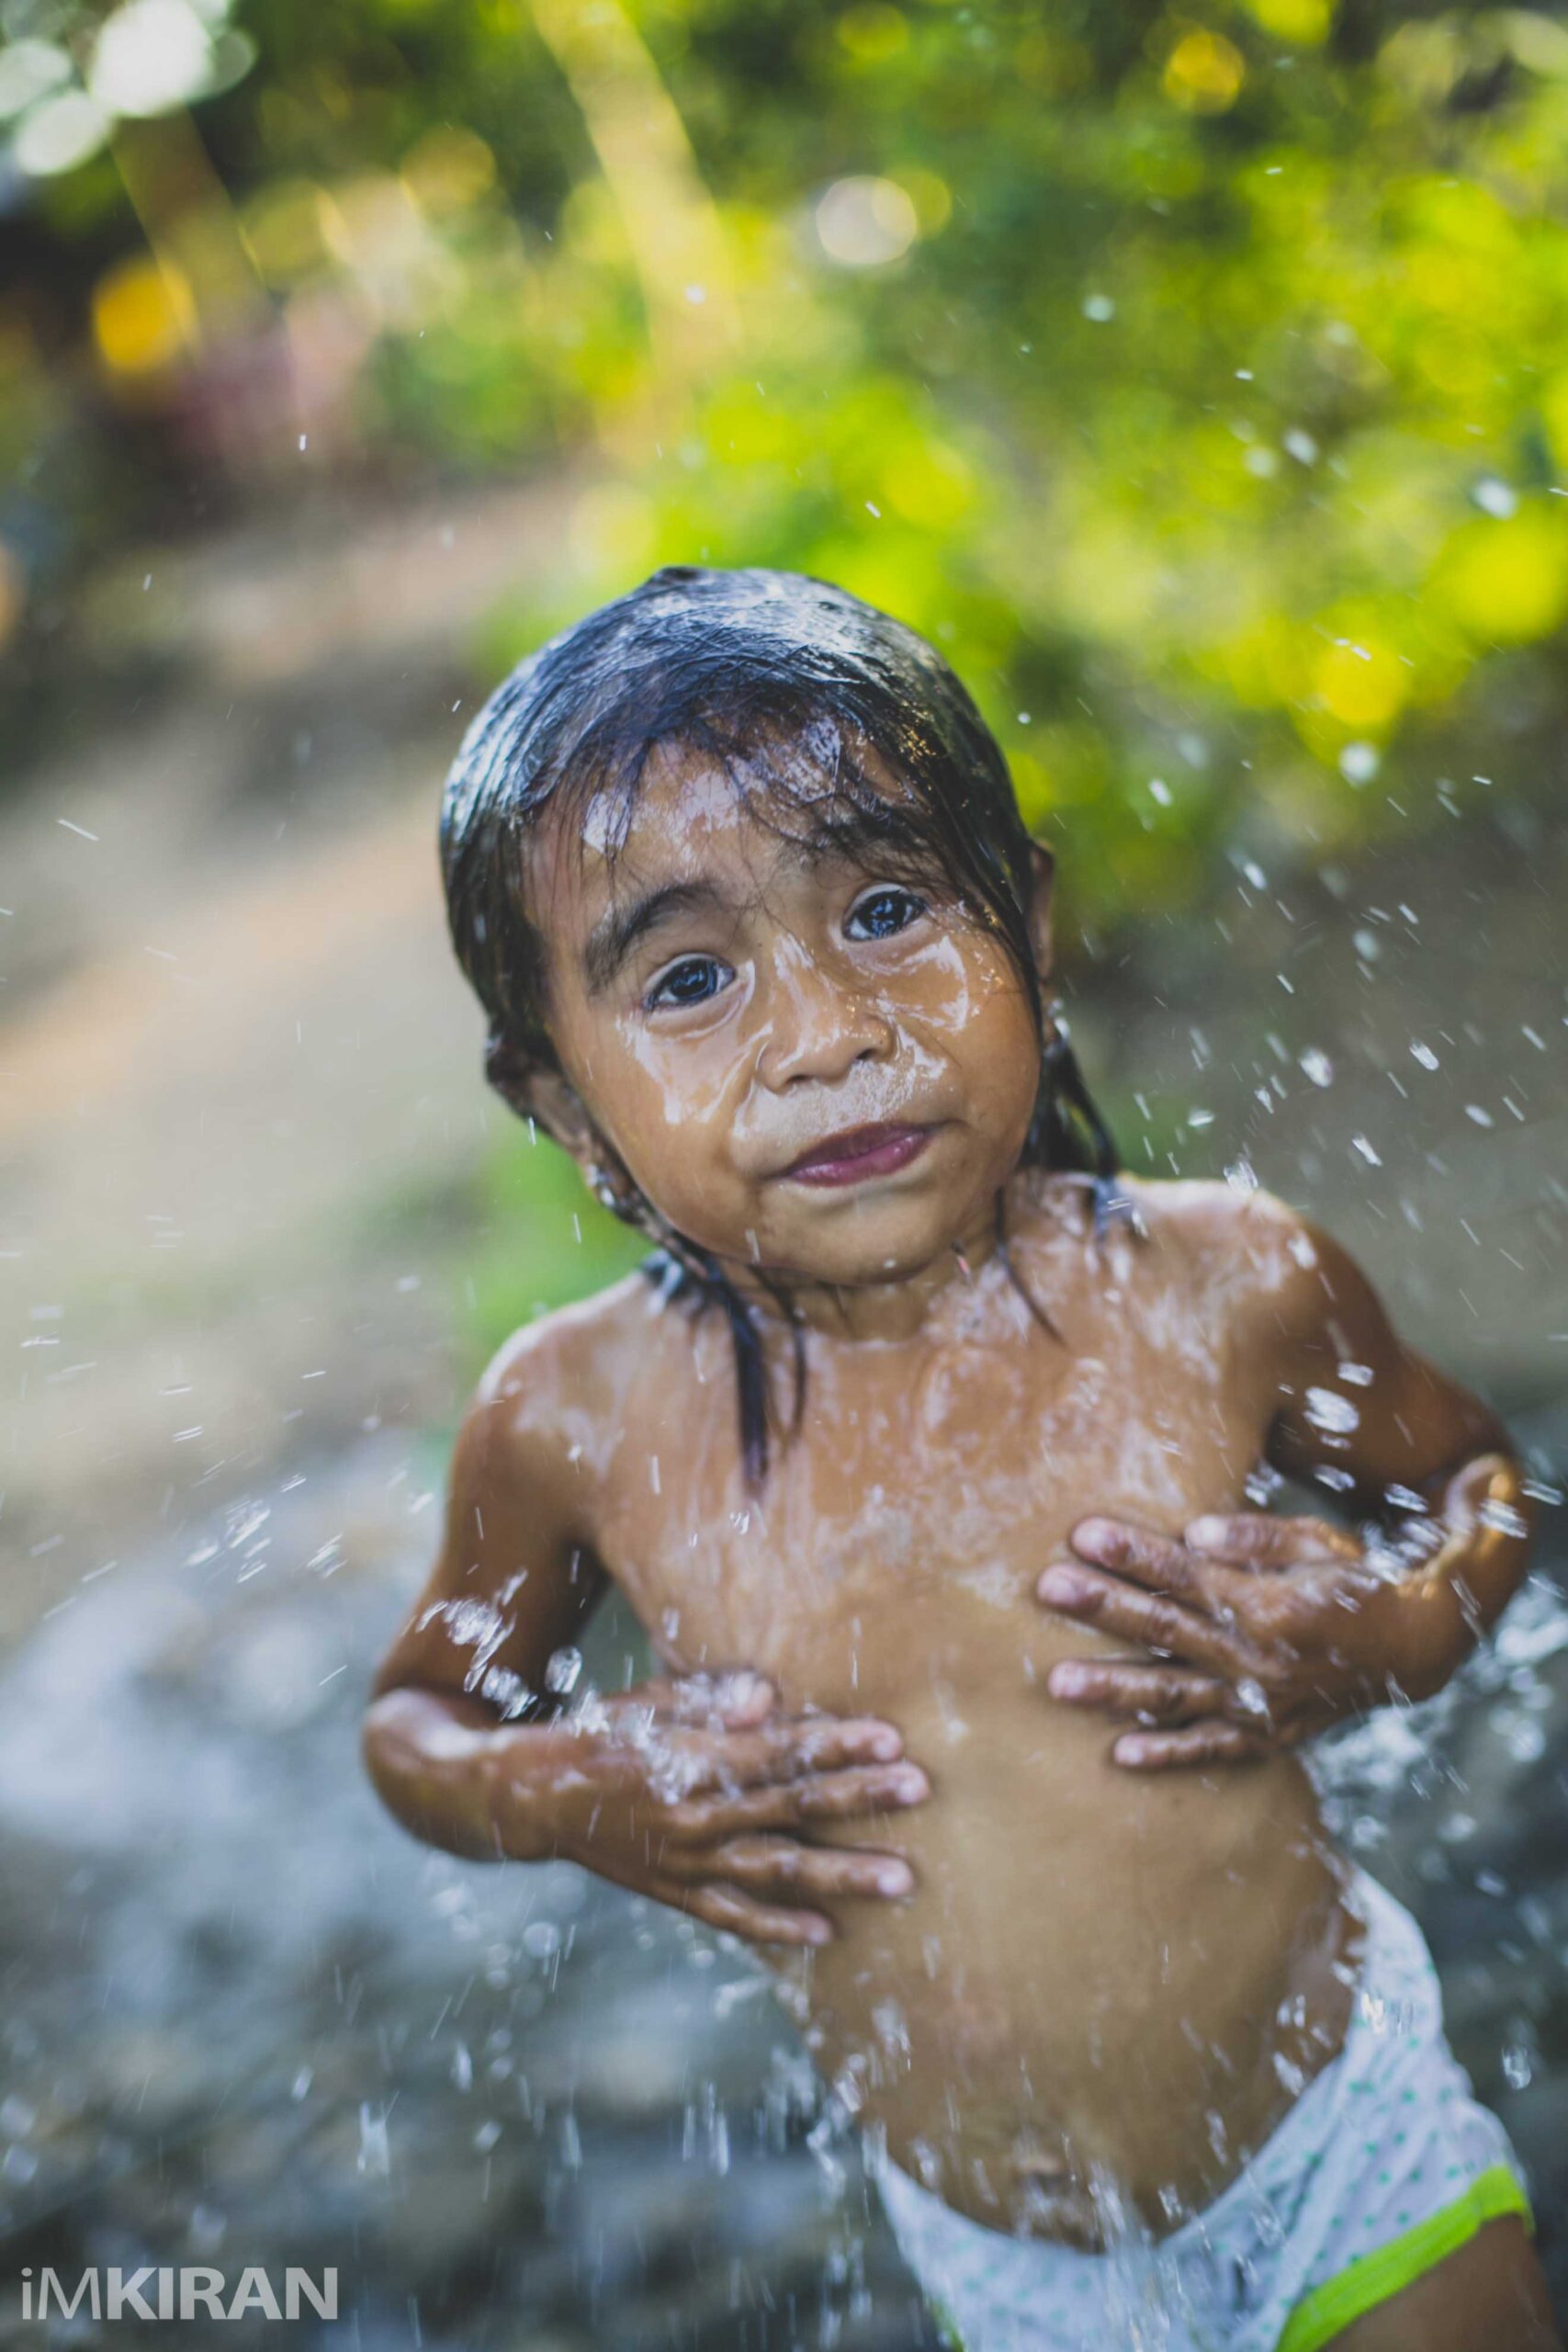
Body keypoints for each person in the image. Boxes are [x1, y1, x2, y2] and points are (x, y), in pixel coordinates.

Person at [362, 567, 1558, 2350]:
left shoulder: (1219, 1285)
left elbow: (1482, 1495)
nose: (829, 1033)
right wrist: (568, 1789)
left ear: (1031, 930)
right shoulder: (572, 1417)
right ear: (561, 1104)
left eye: (889, 907)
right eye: (688, 977)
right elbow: (420, 1726)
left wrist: (1389, 1627)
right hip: (1006, 2259)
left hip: (1337, 2141)